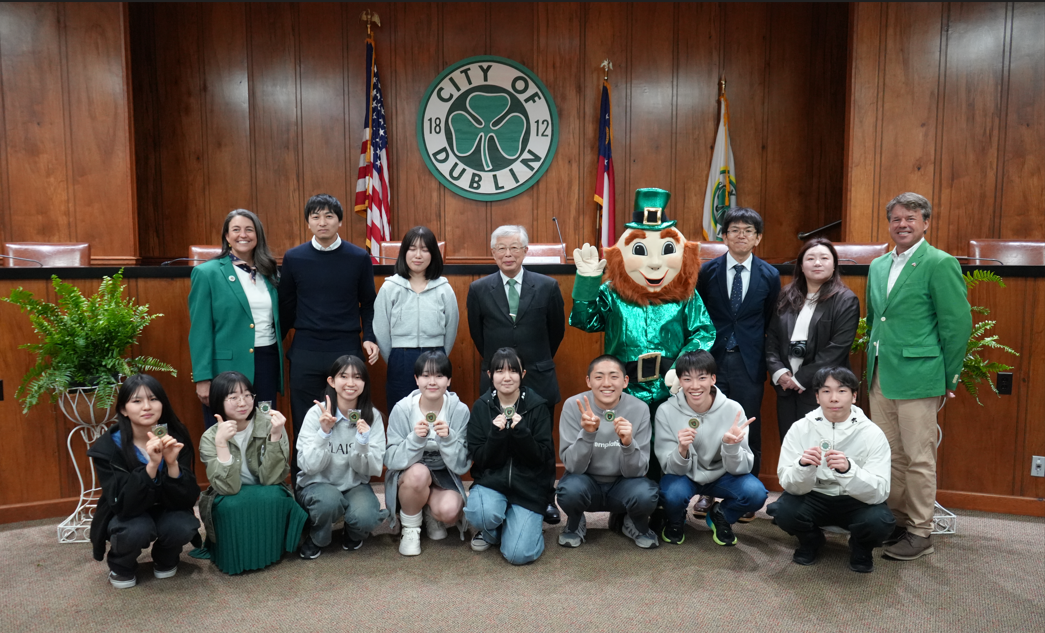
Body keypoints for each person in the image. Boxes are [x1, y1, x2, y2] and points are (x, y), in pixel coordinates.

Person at [865, 192, 972, 561]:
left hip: (920, 374)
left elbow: (957, 325)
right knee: (890, 455)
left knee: (919, 457)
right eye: (896, 218)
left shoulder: (939, 263)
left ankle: (920, 531)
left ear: (926, 222)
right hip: (880, 374)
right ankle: (895, 521)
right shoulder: (879, 266)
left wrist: (949, 377)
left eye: (911, 217)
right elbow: (875, 318)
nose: (903, 224)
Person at [467, 224, 565, 524]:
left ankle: (545, 498)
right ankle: (499, 493)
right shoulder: (479, 289)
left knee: (541, 442)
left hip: (538, 374)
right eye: (501, 248)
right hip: (498, 378)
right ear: (493, 253)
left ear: (525, 251)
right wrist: (503, 369)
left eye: (514, 248)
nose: (508, 254)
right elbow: (478, 336)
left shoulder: (547, 286)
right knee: (496, 435)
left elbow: (556, 332)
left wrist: (530, 365)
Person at [279, 194, 379, 474]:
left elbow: (368, 302)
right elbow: (286, 305)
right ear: (308, 222)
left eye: (329, 216)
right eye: (315, 217)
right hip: (306, 349)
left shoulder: (358, 257)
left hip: (345, 348)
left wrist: (369, 336)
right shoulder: (294, 257)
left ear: (340, 221)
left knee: (348, 420)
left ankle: (349, 485)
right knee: (304, 423)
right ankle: (304, 493)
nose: (322, 222)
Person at [694, 207, 780, 520]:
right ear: (725, 236)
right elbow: (700, 314)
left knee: (747, 430)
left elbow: (770, 319)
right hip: (712, 363)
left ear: (757, 238)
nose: (740, 235)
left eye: (748, 230)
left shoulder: (769, 275)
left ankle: (747, 492)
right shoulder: (708, 272)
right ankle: (705, 493)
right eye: (734, 229)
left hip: (749, 363)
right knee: (708, 427)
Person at [767, 367, 895, 573]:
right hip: (814, 496)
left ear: (854, 397)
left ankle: (861, 547)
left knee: (881, 521)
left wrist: (848, 470)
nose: (834, 398)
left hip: (855, 500)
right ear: (817, 397)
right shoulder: (800, 428)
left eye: (842, 391)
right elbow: (787, 483)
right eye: (826, 391)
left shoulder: (872, 433)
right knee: (781, 510)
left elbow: (880, 491)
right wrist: (802, 467)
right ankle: (811, 540)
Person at [87, 375, 201, 589]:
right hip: (128, 513)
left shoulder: (176, 436)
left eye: (153, 399)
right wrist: (151, 466)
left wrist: (172, 464)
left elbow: (187, 498)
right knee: (135, 529)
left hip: (167, 507)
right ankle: (121, 566)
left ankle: (166, 557)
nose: (147, 407)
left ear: (162, 404)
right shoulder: (108, 448)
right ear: (123, 409)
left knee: (183, 525)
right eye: (136, 401)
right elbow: (122, 504)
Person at [196, 371, 307, 573]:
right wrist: (221, 444)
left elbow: (272, 479)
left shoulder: (270, 424)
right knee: (230, 505)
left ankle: (272, 551)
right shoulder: (209, 437)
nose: (243, 403)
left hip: (265, 487)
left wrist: (275, 437)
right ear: (218, 401)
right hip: (230, 494)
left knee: (276, 496)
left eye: (248, 395)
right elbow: (227, 488)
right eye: (234, 397)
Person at [655, 350, 768, 547]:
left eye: (702, 378)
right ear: (680, 381)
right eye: (687, 379)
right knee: (671, 494)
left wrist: (731, 447)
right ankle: (676, 518)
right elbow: (670, 468)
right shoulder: (666, 410)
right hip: (685, 476)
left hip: (723, 475)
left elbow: (742, 469)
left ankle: (721, 515)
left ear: (713, 379)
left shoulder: (734, 409)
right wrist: (681, 449)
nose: (695, 386)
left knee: (756, 493)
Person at [188, 209, 282, 429]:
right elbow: (200, 330)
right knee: (226, 431)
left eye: (249, 229)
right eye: (236, 230)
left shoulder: (269, 272)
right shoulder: (207, 273)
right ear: (227, 237)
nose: (243, 235)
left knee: (264, 428)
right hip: (226, 368)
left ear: (258, 235)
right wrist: (202, 378)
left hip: (266, 360)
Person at [556, 355, 659, 549]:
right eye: (599, 377)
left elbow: (637, 471)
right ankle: (575, 521)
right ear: (588, 381)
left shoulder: (639, 409)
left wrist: (628, 443)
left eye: (613, 376)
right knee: (569, 491)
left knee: (647, 494)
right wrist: (587, 434)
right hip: (585, 481)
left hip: (623, 483)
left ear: (625, 381)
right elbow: (573, 466)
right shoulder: (573, 405)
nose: (606, 384)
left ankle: (629, 520)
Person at [465, 347, 555, 565]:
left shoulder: (538, 406)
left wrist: (522, 433)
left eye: (513, 371)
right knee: (479, 513)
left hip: (528, 489)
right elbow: (481, 458)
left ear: (522, 374)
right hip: (492, 484)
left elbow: (542, 458)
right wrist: (496, 436)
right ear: (490, 375)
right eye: (499, 371)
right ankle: (494, 528)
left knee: (519, 554)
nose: (506, 377)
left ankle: (521, 526)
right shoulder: (481, 407)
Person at [765, 238, 860, 440]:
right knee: (791, 446)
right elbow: (771, 337)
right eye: (810, 258)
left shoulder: (845, 299)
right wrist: (779, 372)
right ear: (801, 265)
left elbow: (837, 349)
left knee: (821, 449)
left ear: (834, 264)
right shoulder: (786, 295)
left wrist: (800, 379)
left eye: (824, 258)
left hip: (824, 388)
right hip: (786, 387)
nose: (817, 263)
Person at [296, 355, 388, 559]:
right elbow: (307, 465)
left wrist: (362, 443)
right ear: (331, 381)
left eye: (357, 377)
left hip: (353, 485)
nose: (350, 383)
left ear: (364, 383)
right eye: (343, 376)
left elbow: (372, 469)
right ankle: (318, 537)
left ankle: (353, 531)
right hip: (317, 483)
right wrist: (324, 433)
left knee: (366, 516)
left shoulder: (371, 416)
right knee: (328, 502)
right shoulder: (316, 414)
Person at [385, 351, 471, 556]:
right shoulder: (403, 409)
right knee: (418, 473)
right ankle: (411, 528)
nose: (432, 382)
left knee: (450, 512)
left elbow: (462, 465)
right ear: (416, 379)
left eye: (439, 376)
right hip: (409, 473)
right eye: (425, 375)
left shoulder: (459, 411)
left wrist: (449, 440)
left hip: (444, 471)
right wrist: (414, 440)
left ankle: (425, 507)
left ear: (449, 380)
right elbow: (391, 459)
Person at [373, 226, 459, 411]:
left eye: (425, 249)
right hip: (400, 359)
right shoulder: (389, 288)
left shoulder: (444, 288)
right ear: (404, 252)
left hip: (436, 356)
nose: (418, 255)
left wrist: (439, 353)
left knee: (437, 413)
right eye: (412, 249)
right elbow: (380, 329)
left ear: (433, 254)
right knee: (401, 412)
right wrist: (396, 357)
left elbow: (451, 328)